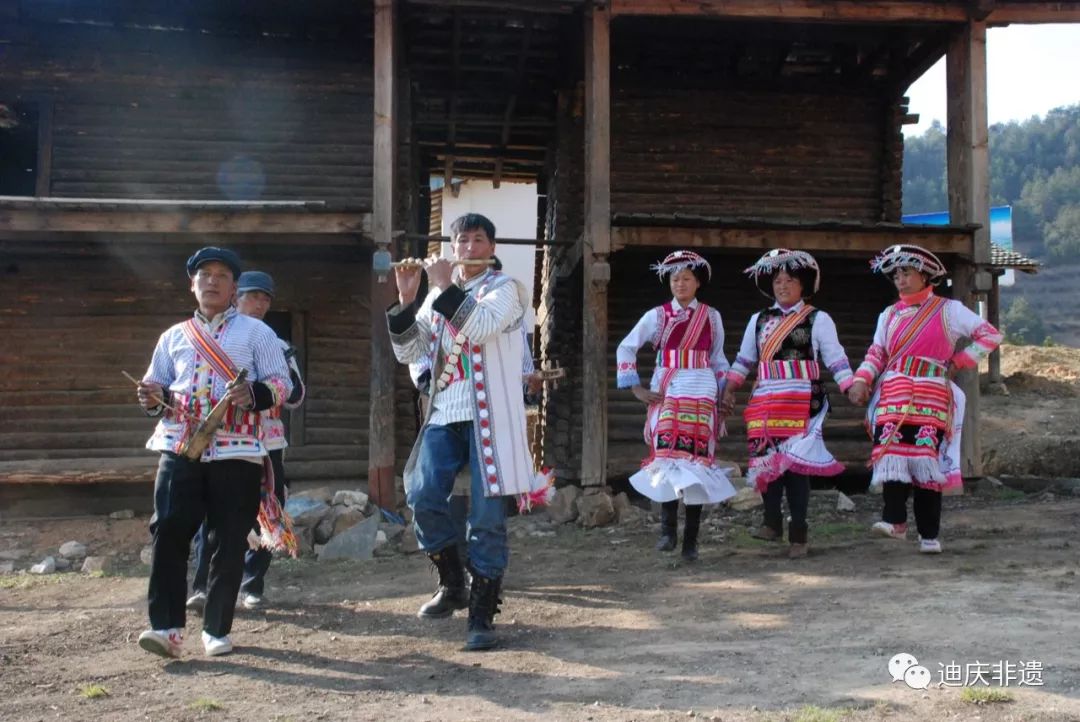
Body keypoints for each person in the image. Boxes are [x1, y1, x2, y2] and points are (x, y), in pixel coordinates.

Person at [386, 213, 552, 651]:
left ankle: (481, 614)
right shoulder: (436, 295)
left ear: (491, 246)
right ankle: (451, 581)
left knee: (486, 517)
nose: (468, 247)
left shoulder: (507, 290)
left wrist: (441, 286)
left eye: (478, 240)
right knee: (421, 493)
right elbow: (411, 351)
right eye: (462, 240)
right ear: (453, 246)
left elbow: (477, 328)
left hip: (492, 415)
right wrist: (406, 302)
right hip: (445, 411)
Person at [136, 247, 293, 658]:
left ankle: (216, 629)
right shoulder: (172, 337)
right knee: (168, 530)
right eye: (204, 274)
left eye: (221, 275)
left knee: (227, 538)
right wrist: (150, 396)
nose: (211, 281)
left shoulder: (259, 335)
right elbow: (157, 386)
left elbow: (282, 384)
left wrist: (253, 393)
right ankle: (166, 628)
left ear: (234, 287)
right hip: (180, 446)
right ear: (192, 284)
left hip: (237, 450)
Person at [848, 244, 1002, 554]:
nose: (901, 279)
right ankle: (895, 522)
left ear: (924, 275)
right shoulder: (889, 314)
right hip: (894, 389)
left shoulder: (949, 310)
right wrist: (861, 379)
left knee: (925, 461)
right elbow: (877, 352)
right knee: (890, 451)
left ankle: (929, 535)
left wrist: (959, 361)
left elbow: (990, 335)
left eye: (907, 273)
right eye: (896, 275)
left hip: (931, 390)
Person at [721, 249, 854, 558]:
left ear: (803, 285)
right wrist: (728, 389)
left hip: (802, 400)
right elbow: (743, 360)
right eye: (778, 280)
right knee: (767, 465)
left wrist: (851, 386)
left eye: (790, 280)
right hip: (766, 400)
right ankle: (771, 522)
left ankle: (799, 535)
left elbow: (836, 358)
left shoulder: (818, 320)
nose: (783, 286)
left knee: (795, 469)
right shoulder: (759, 320)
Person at [187, 271, 306, 613]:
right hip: (223, 439)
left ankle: (252, 584)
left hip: (267, 443)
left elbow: (296, 397)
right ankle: (201, 586)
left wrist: (282, 370)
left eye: (266, 299)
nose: (260, 304)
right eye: (254, 296)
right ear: (236, 296)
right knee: (212, 512)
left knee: (267, 511)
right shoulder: (215, 341)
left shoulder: (278, 345)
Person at [616, 250, 736, 562]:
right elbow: (626, 346)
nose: (679, 284)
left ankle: (691, 541)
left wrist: (725, 393)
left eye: (686, 278)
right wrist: (637, 389)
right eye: (674, 279)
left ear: (698, 282)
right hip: (668, 388)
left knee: (696, 463)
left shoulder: (711, 316)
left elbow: (719, 358)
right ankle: (668, 531)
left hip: (703, 389)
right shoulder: (657, 316)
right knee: (668, 458)